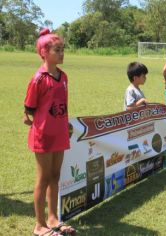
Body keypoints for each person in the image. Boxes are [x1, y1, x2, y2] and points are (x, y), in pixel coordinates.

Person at [23, 28, 76, 236]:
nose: (62, 53)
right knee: (43, 178)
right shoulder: (38, 78)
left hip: (60, 132)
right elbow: (29, 106)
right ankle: (39, 225)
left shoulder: (63, 76)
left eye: (63, 49)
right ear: (44, 52)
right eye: (57, 49)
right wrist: (29, 117)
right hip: (43, 135)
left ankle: (53, 218)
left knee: (55, 175)